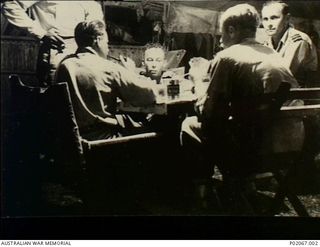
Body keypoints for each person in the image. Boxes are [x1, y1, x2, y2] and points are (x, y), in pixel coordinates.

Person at [180, 4, 302, 206]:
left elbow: (207, 112)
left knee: (190, 125)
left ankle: (203, 192)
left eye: (222, 33)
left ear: (231, 30)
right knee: (237, 125)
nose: (221, 40)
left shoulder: (228, 57)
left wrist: (197, 81)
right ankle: (244, 186)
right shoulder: (273, 55)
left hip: (254, 149)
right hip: (291, 144)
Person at [55, 20, 163, 141]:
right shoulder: (108, 67)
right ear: (98, 40)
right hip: (103, 140)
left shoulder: (63, 65)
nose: (107, 48)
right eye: (107, 42)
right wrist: (131, 73)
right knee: (158, 129)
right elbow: (148, 95)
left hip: (70, 140)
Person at [2, 0, 104, 85]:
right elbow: (10, 6)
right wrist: (41, 32)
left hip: (87, 50)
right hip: (57, 49)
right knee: (56, 95)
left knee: (84, 93)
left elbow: (95, 15)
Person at [261, 0, 318, 86]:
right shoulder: (267, 42)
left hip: (299, 95)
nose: (269, 24)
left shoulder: (298, 40)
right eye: (265, 19)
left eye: (274, 18)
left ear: (287, 18)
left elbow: (281, 76)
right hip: (279, 92)